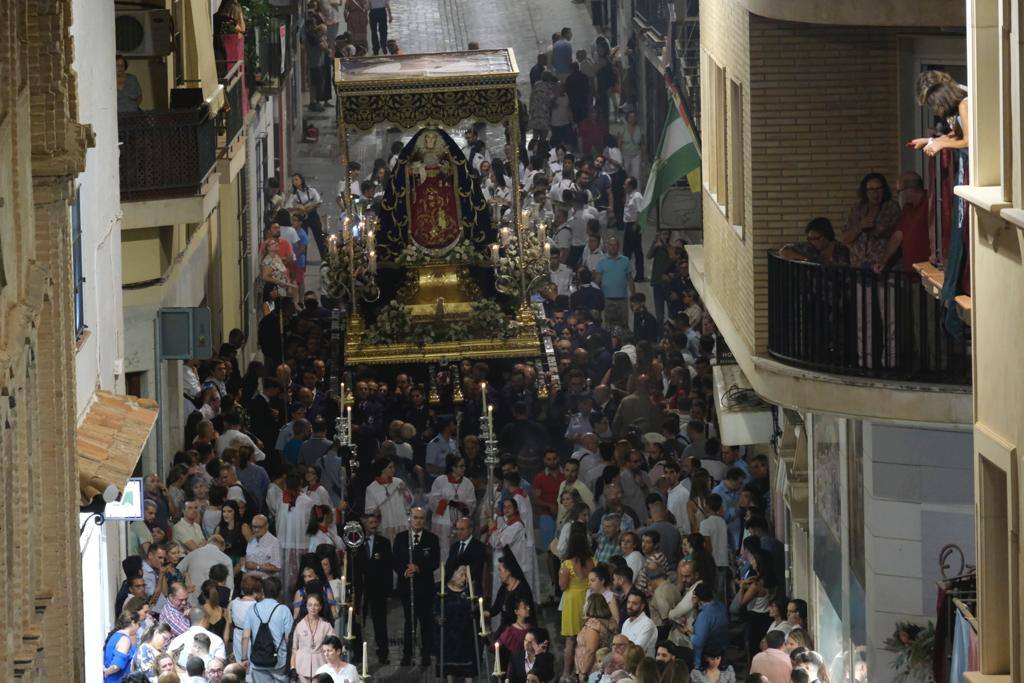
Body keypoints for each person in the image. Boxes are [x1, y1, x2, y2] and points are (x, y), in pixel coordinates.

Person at [393, 506, 440, 666]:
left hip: (425, 588)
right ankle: (407, 655)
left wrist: (419, 568)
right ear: (410, 519)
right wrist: (405, 572)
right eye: (415, 517)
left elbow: (434, 562)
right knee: (409, 622)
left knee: (426, 622)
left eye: (421, 518)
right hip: (407, 587)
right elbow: (395, 560)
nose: (418, 521)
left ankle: (425, 654)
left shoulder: (432, 539)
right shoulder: (400, 538)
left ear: (425, 520)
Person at [841, 173, 902, 272]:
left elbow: (897, 234)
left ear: (884, 190)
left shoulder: (892, 208)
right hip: (859, 268)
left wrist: (879, 230)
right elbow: (845, 238)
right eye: (871, 190)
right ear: (865, 191)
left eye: (878, 189)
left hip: (885, 269)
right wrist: (860, 226)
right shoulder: (857, 209)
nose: (875, 193)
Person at [354, 511, 393, 665]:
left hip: (378, 590)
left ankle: (383, 653)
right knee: (358, 622)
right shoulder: (356, 542)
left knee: (380, 622)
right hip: (361, 590)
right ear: (365, 525)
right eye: (370, 523)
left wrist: (388, 590)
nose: (373, 525)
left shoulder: (384, 542)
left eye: (375, 523)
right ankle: (357, 653)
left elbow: (388, 567)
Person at [241, 576, 294, 681]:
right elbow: (289, 638)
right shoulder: (284, 610)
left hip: (258, 658)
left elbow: (246, 636)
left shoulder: (253, 608)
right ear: (279, 592)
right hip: (279, 659)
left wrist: (244, 658)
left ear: (262, 591)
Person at [558, 532, 594, 680]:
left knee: (571, 640)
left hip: (572, 601)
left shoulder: (567, 564)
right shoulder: (592, 562)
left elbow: (562, 586)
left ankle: (567, 672)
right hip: (587, 599)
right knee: (586, 639)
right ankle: (581, 671)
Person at [430, 454, 476, 565]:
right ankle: (442, 577)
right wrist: (448, 503)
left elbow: (472, 502)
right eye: (460, 466)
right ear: (453, 467)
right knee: (442, 550)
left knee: (458, 550)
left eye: (464, 466)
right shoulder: (440, 480)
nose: (463, 469)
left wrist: (462, 506)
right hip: (443, 521)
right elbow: (433, 500)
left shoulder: (467, 483)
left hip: (459, 522)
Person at [436, 565, 479, 681]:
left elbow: (474, 612)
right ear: (452, 576)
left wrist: (475, 610)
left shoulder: (468, 592)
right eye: (461, 575)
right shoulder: (443, 592)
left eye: (465, 575)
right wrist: (438, 617)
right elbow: (435, 610)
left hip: (465, 637)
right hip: (450, 637)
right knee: (450, 669)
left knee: (468, 670)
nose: (464, 578)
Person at [364, 457, 413, 542]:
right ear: (382, 469)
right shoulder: (371, 488)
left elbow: (410, 502)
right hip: (384, 525)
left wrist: (405, 491)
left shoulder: (398, 482)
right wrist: (375, 511)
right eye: (390, 467)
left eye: (393, 467)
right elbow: (369, 510)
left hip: (401, 523)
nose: (393, 469)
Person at [291, 592, 336, 682]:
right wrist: (293, 667)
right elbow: (294, 649)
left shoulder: (326, 625)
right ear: (306, 606)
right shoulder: (299, 625)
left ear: (320, 607)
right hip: (302, 666)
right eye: (310, 605)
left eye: (316, 605)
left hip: (320, 665)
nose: (313, 608)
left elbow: (334, 644)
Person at [777, 218, 851, 266]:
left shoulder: (842, 250)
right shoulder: (810, 248)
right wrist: (806, 260)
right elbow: (784, 251)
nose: (812, 242)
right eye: (809, 239)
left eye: (816, 238)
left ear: (827, 236)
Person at [445, 516, 487, 599]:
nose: (459, 532)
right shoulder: (454, 547)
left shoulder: (479, 547)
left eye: (462, 529)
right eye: (457, 529)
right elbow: (448, 567)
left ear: (470, 530)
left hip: (470, 589)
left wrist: (460, 579)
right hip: (452, 588)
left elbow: (476, 569)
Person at [896, 171, 931, 271]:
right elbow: (899, 234)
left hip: (928, 270)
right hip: (911, 271)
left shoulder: (930, 204)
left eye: (899, 191)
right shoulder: (907, 208)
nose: (899, 195)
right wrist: (884, 259)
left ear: (909, 190)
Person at [690, 583, 729, 668]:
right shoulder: (721, 606)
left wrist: (688, 633)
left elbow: (698, 642)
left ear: (697, 598)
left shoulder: (704, 615)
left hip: (706, 659)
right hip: (722, 654)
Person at [574, 593, 613, 678]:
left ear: (590, 606)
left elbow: (591, 651)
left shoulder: (593, 625)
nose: (584, 606)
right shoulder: (604, 622)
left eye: (586, 603)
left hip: (591, 670)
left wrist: (583, 672)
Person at [102, 610, 139, 682]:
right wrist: (107, 672)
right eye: (138, 624)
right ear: (133, 623)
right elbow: (116, 666)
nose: (138, 627)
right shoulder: (125, 640)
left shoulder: (115, 635)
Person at [621, 589, 658, 657]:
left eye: (634, 603)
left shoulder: (647, 624)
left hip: (642, 665)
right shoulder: (626, 622)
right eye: (628, 602)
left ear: (642, 606)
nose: (629, 606)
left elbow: (636, 651)